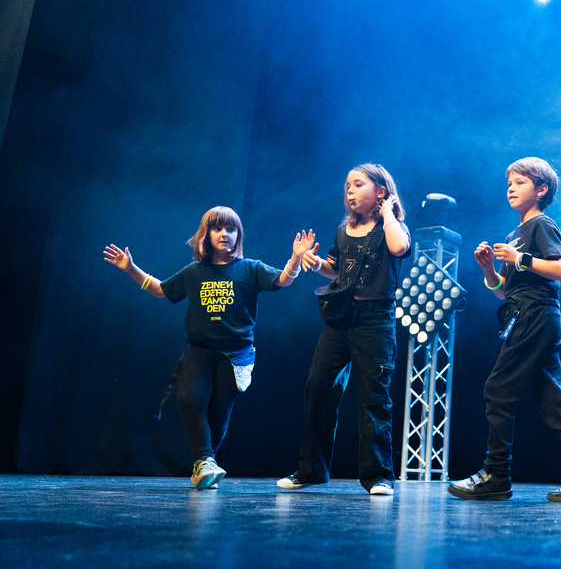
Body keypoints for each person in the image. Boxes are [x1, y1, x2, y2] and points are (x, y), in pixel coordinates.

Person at [103, 207, 314, 490]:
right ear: (206, 235)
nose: (224, 234)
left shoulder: (250, 268)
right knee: (187, 398)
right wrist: (130, 268)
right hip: (201, 349)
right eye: (217, 229)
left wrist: (296, 258)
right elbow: (161, 290)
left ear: (238, 235)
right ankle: (205, 461)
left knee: (219, 412)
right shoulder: (194, 272)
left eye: (231, 229)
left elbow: (282, 280)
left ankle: (204, 465)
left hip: (236, 353)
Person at [448, 157, 561, 503]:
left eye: (520, 182)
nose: (511, 188)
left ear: (541, 189)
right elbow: (504, 291)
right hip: (527, 313)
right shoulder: (514, 235)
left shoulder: (541, 224)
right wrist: (489, 269)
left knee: (498, 391)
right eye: (509, 183)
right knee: (553, 400)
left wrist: (519, 258)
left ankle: (496, 475)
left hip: (535, 315)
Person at [278, 164, 411, 497]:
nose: (350, 191)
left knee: (373, 397)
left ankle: (379, 476)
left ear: (381, 191)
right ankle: (311, 470)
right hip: (340, 319)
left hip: (375, 320)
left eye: (358, 184)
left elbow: (399, 248)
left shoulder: (393, 228)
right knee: (318, 386)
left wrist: (388, 213)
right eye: (347, 186)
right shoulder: (343, 230)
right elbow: (336, 270)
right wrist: (315, 263)